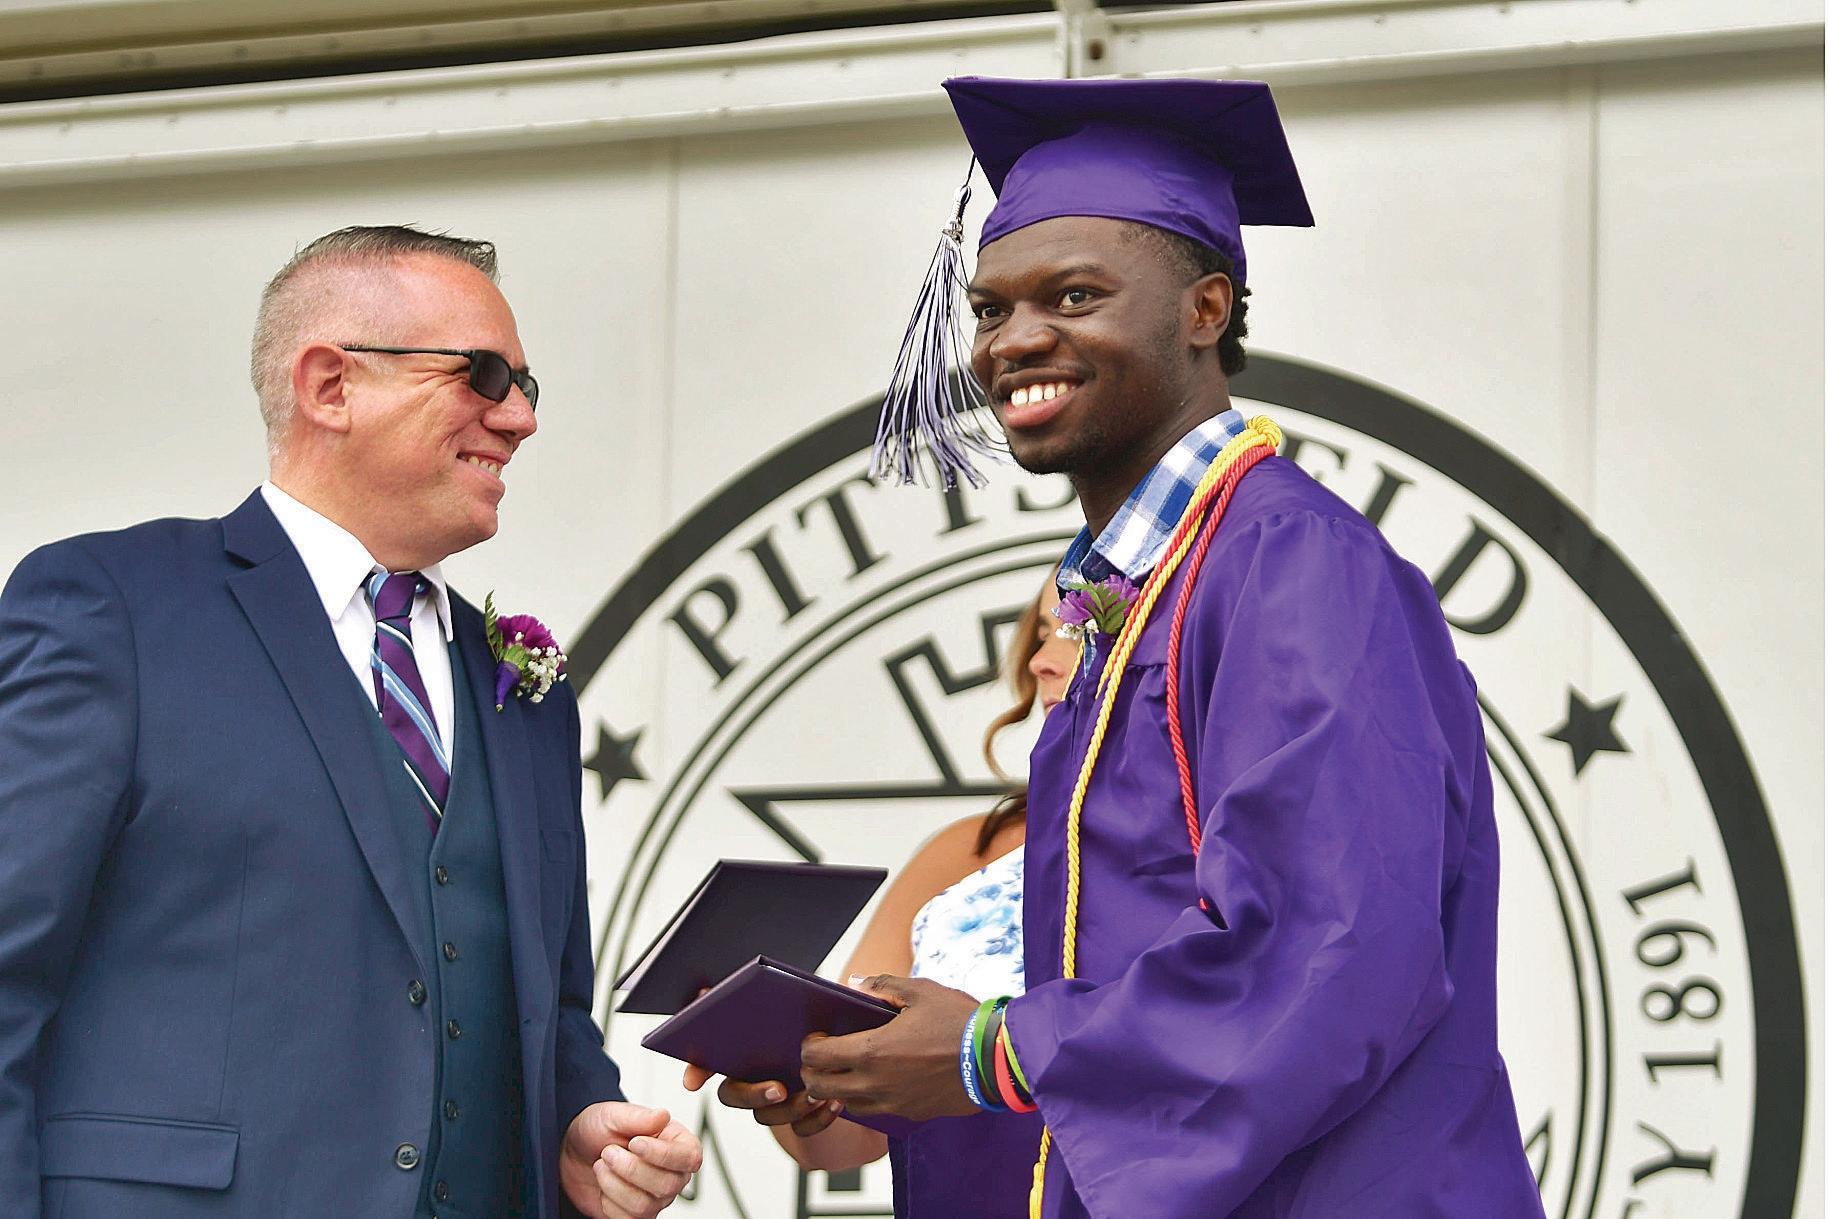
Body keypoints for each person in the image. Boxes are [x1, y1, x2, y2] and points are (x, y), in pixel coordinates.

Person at [778, 77, 1546, 1217]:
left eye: (1075, 295)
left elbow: (1326, 949)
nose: (1015, 340)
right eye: (988, 309)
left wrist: (996, 1051)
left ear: (1204, 309)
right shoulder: (1142, 590)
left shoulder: (1290, 565)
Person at [0, 225, 700, 1219]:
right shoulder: (115, 608)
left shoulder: (526, 691)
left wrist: (576, 1121)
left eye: (526, 387)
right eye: (483, 374)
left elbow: (548, 1010)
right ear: (331, 386)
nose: (520, 418)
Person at [689, 575, 1075, 1215]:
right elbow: (843, 1139)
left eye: (1076, 629)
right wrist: (779, 1061)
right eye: (1040, 631)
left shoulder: (1207, 851)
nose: (1042, 660)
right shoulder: (963, 853)